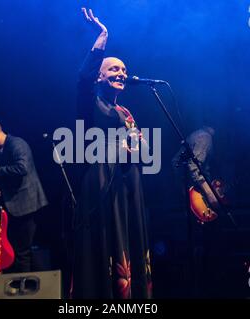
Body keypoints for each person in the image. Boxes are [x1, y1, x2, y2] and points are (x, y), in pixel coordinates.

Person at [71, 8, 152, 299]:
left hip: (129, 187)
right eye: (114, 69)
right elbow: (83, 77)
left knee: (130, 239)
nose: (122, 73)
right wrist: (102, 37)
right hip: (104, 183)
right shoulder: (91, 103)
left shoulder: (126, 111)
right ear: (99, 78)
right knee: (108, 239)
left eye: (124, 70)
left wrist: (136, 149)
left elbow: (143, 150)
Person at [0, 121, 48, 273]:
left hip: (27, 205)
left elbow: (22, 168)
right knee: (19, 251)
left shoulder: (17, 144)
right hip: (18, 205)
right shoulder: (4, 150)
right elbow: (16, 181)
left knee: (22, 252)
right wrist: (0, 194)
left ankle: (26, 290)